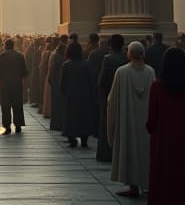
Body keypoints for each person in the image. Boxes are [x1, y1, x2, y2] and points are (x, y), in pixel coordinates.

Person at [146, 46, 185, 205]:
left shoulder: (157, 87)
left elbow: (151, 120)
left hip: (164, 142)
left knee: (162, 182)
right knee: (184, 182)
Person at [107, 40, 154, 198]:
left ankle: (133, 186)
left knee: (130, 151)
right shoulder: (151, 72)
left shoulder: (122, 72)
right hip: (146, 119)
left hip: (128, 120)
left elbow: (111, 100)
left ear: (130, 54)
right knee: (145, 151)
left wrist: (112, 122)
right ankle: (147, 183)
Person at [96, 34, 127, 162]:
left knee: (107, 125)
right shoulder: (126, 58)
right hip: (123, 97)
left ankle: (106, 153)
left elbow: (102, 80)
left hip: (109, 95)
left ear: (110, 45)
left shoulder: (107, 59)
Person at [60, 41, 96, 148]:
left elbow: (63, 83)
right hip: (85, 96)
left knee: (71, 118)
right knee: (84, 117)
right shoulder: (87, 64)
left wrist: (64, 93)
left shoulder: (66, 65)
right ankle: (84, 139)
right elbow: (91, 81)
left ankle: (72, 139)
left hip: (71, 96)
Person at [0, 38, 28, 134]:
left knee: (6, 106)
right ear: (13, 46)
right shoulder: (20, 56)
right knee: (17, 104)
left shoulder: (2, 56)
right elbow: (24, 71)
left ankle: (7, 126)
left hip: (5, 84)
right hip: (17, 83)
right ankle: (18, 125)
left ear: (5, 46)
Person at [48, 35, 67, 131]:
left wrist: (50, 78)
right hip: (61, 84)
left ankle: (55, 124)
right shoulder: (63, 59)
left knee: (55, 105)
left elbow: (51, 69)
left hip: (55, 83)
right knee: (61, 106)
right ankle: (61, 124)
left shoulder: (55, 55)